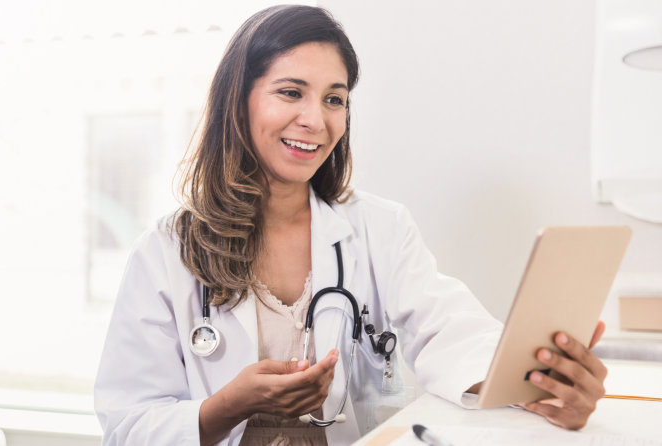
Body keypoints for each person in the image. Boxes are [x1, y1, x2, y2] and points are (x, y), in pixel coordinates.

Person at [93, 5, 608, 446]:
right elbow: (127, 422)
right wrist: (226, 406)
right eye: (291, 92)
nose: (316, 120)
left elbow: (450, 330)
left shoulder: (379, 228)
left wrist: (535, 380)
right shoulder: (165, 253)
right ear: (239, 99)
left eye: (334, 99)